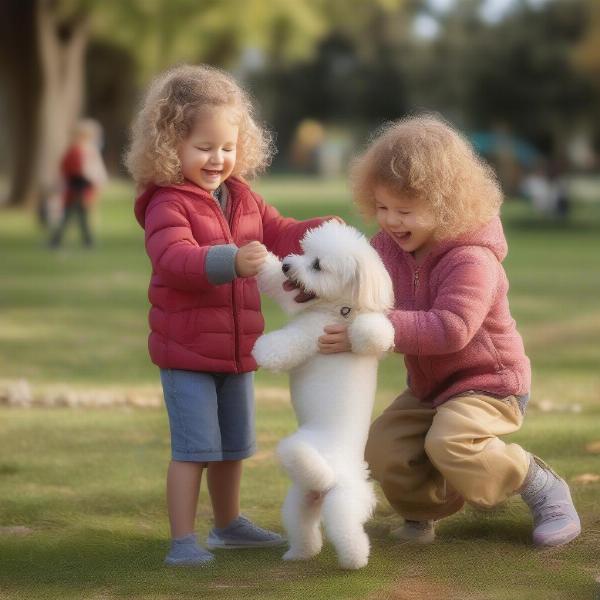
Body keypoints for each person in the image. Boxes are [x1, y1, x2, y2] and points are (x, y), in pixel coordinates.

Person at [318, 115, 581, 548]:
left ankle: (539, 484)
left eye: (405, 211)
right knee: (382, 448)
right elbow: (358, 287)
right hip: (429, 385)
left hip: (489, 384)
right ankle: (422, 513)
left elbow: (451, 329)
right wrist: (320, 294)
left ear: (445, 204)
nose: (390, 221)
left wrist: (373, 328)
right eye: (382, 207)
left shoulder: (472, 258)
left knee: (450, 442)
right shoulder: (387, 246)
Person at [126, 64, 337, 566]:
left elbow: (280, 230)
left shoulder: (242, 196)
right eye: (203, 147)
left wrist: (319, 229)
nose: (217, 158)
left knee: (233, 447)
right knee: (194, 450)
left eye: (227, 146)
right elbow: (173, 259)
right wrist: (228, 259)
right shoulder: (167, 203)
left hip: (237, 351)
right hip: (187, 352)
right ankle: (182, 541)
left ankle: (227, 526)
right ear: (169, 144)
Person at [49, 119, 107, 248]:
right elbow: (73, 170)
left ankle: (85, 241)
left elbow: (94, 170)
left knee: (79, 217)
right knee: (73, 216)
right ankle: (84, 242)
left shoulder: (86, 151)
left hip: (82, 189)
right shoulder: (76, 152)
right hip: (77, 188)